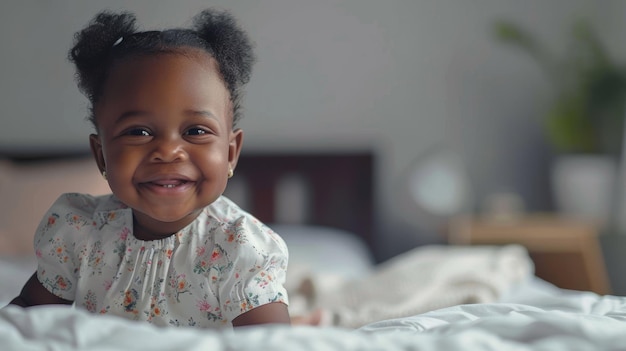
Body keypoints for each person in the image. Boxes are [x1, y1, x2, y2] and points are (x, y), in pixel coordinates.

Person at [9, 8, 291, 328]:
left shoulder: (240, 250)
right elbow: (25, 318)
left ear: (230, 153)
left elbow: (272, 342)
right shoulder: (79, 232)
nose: (168, 151)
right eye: (138, 132)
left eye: (195, 131)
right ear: (102, 156)